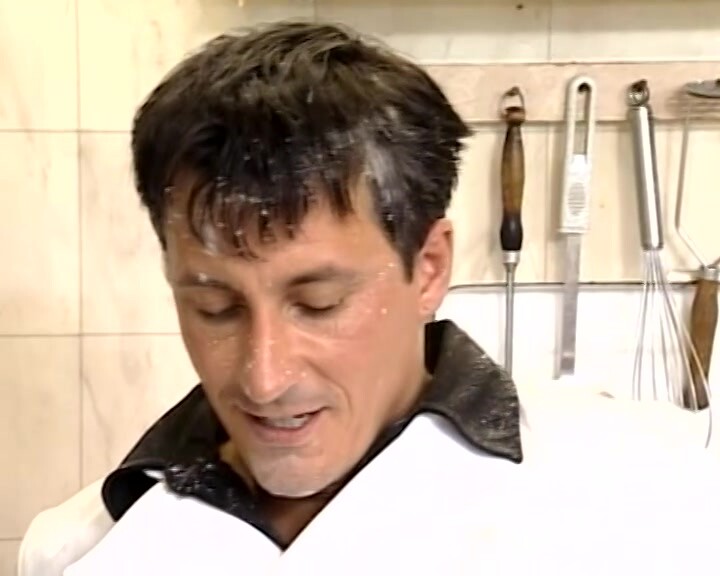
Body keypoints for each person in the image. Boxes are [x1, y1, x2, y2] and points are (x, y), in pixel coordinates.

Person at [18, 20, 720, 576]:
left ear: (429, 269)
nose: (265, 378)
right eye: (215, 308)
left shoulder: (651, 503)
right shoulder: (82, 550)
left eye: (319, 303)